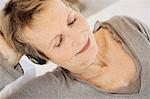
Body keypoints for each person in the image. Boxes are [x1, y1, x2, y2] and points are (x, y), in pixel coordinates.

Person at [0, 0, 150, 98]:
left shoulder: (124, 25)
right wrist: (6, 63)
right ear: (41, 57)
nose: (79, 39)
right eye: (59, 42)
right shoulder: (49, 91)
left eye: (72, 20)